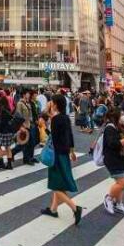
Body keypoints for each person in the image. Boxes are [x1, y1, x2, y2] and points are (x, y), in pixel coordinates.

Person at [41, 94, 83, 225]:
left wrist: (43, 127)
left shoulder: (55, 119)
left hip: (56, 155)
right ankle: (53, 210)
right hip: (64, 154)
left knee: (56, 185)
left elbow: (52, 138)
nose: (50, 103)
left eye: (52, 102)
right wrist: (72, 151)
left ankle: (75, 208)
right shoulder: (65, 118)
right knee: (59, 184)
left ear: (55, 104)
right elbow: (69, 136)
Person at [102, 108, 124, 215]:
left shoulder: (121, 127)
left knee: (121, 183)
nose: (123, 117)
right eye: (121, 115)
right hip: (114, 159)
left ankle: (118, 204)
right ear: (115, 117)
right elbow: (113, 144)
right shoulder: (110, 128)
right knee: (123, 183)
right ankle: (108, 199)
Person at [11, 90, 36, 165]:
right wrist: (21, 127)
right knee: (25, 143)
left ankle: (29, 158)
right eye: (28, 94)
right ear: (24, 95)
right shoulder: (20, 103)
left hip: (29, 125)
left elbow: (30, 115)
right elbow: (18, 116)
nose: (29, 95)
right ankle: (23, 157)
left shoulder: (28, 103)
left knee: (30, 143)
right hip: (24, 126)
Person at [0, 97, 15, 170]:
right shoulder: (8, 110)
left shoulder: (3, 111)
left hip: (4, 132)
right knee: (8, 147)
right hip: (10, 131)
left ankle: (1, 164)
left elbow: (2, 123)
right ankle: (9, 165)